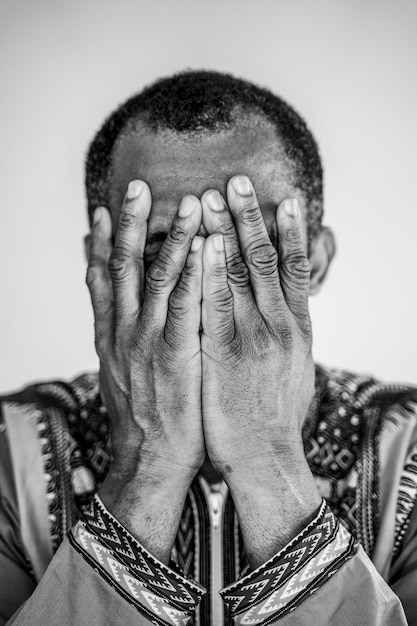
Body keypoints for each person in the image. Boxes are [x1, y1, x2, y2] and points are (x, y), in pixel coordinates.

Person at [0, 70, 416, 626]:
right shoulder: (11, 452)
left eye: (246, 246)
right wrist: (148, 465)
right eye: (162, 247)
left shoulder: (408, 447)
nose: (207, 282)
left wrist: (268, 463)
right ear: (103, 264)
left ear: (311, 260)